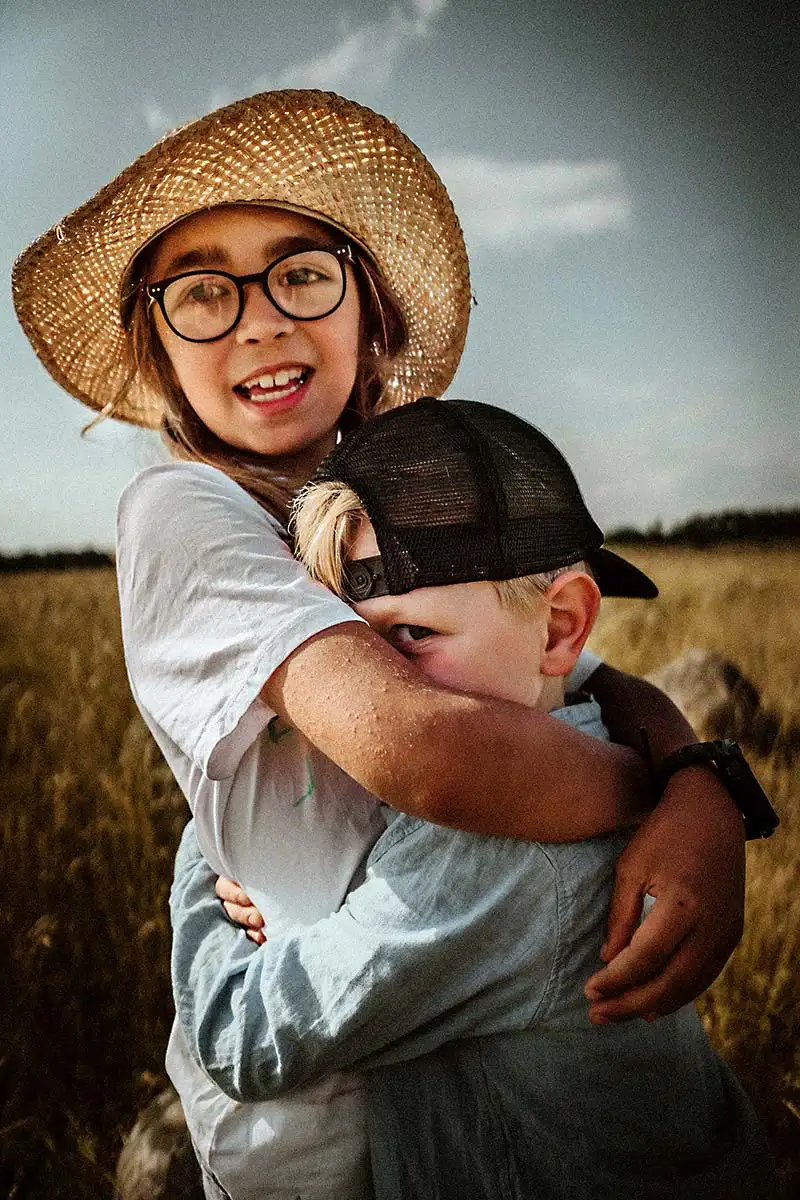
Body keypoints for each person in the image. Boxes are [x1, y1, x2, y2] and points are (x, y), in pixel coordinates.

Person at [12, 91, 748, 1200]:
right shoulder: (182, 513)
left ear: (369, 308)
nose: (257, 320)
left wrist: (698, 784)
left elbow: (575, 670)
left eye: (300, 274)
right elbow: (427, 751)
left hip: (453, 1085)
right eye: (202, 293)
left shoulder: (384, 498)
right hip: (313, 1121)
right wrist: (655, 800)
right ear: (155, 342)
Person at [170, 397, 776, 1198]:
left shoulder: (492, 851)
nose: (371, 693)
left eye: (408, 638)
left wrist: (203, 852)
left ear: (562, 627)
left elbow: (245, 1040)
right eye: (349, 649)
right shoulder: (583, 740)